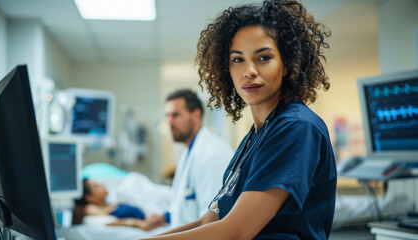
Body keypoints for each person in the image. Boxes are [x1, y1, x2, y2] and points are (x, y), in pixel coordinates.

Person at [141, 0, 336, 239]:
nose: (249, 70)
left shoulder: (296, 127)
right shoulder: (255, 138)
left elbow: (235, 232)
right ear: (227, 70)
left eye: (263, 57)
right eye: (237, 59)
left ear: (287, 64)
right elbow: (208, 220)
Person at [146, 89, 233, 228]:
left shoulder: (211, 155)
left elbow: (212, 221)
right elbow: (187, 205)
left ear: (196, 115)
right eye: (167, 115)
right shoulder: (191, 150)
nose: (170, 122)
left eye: (176, 115)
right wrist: (166, 217)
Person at [72, 178, 154, 231]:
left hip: (152, 219)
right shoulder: (90, 208)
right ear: (89, 197)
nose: (103, 184)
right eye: (96, 186)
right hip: (148, 225)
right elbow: (109, 221)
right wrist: (136, 223)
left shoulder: (110, 203)